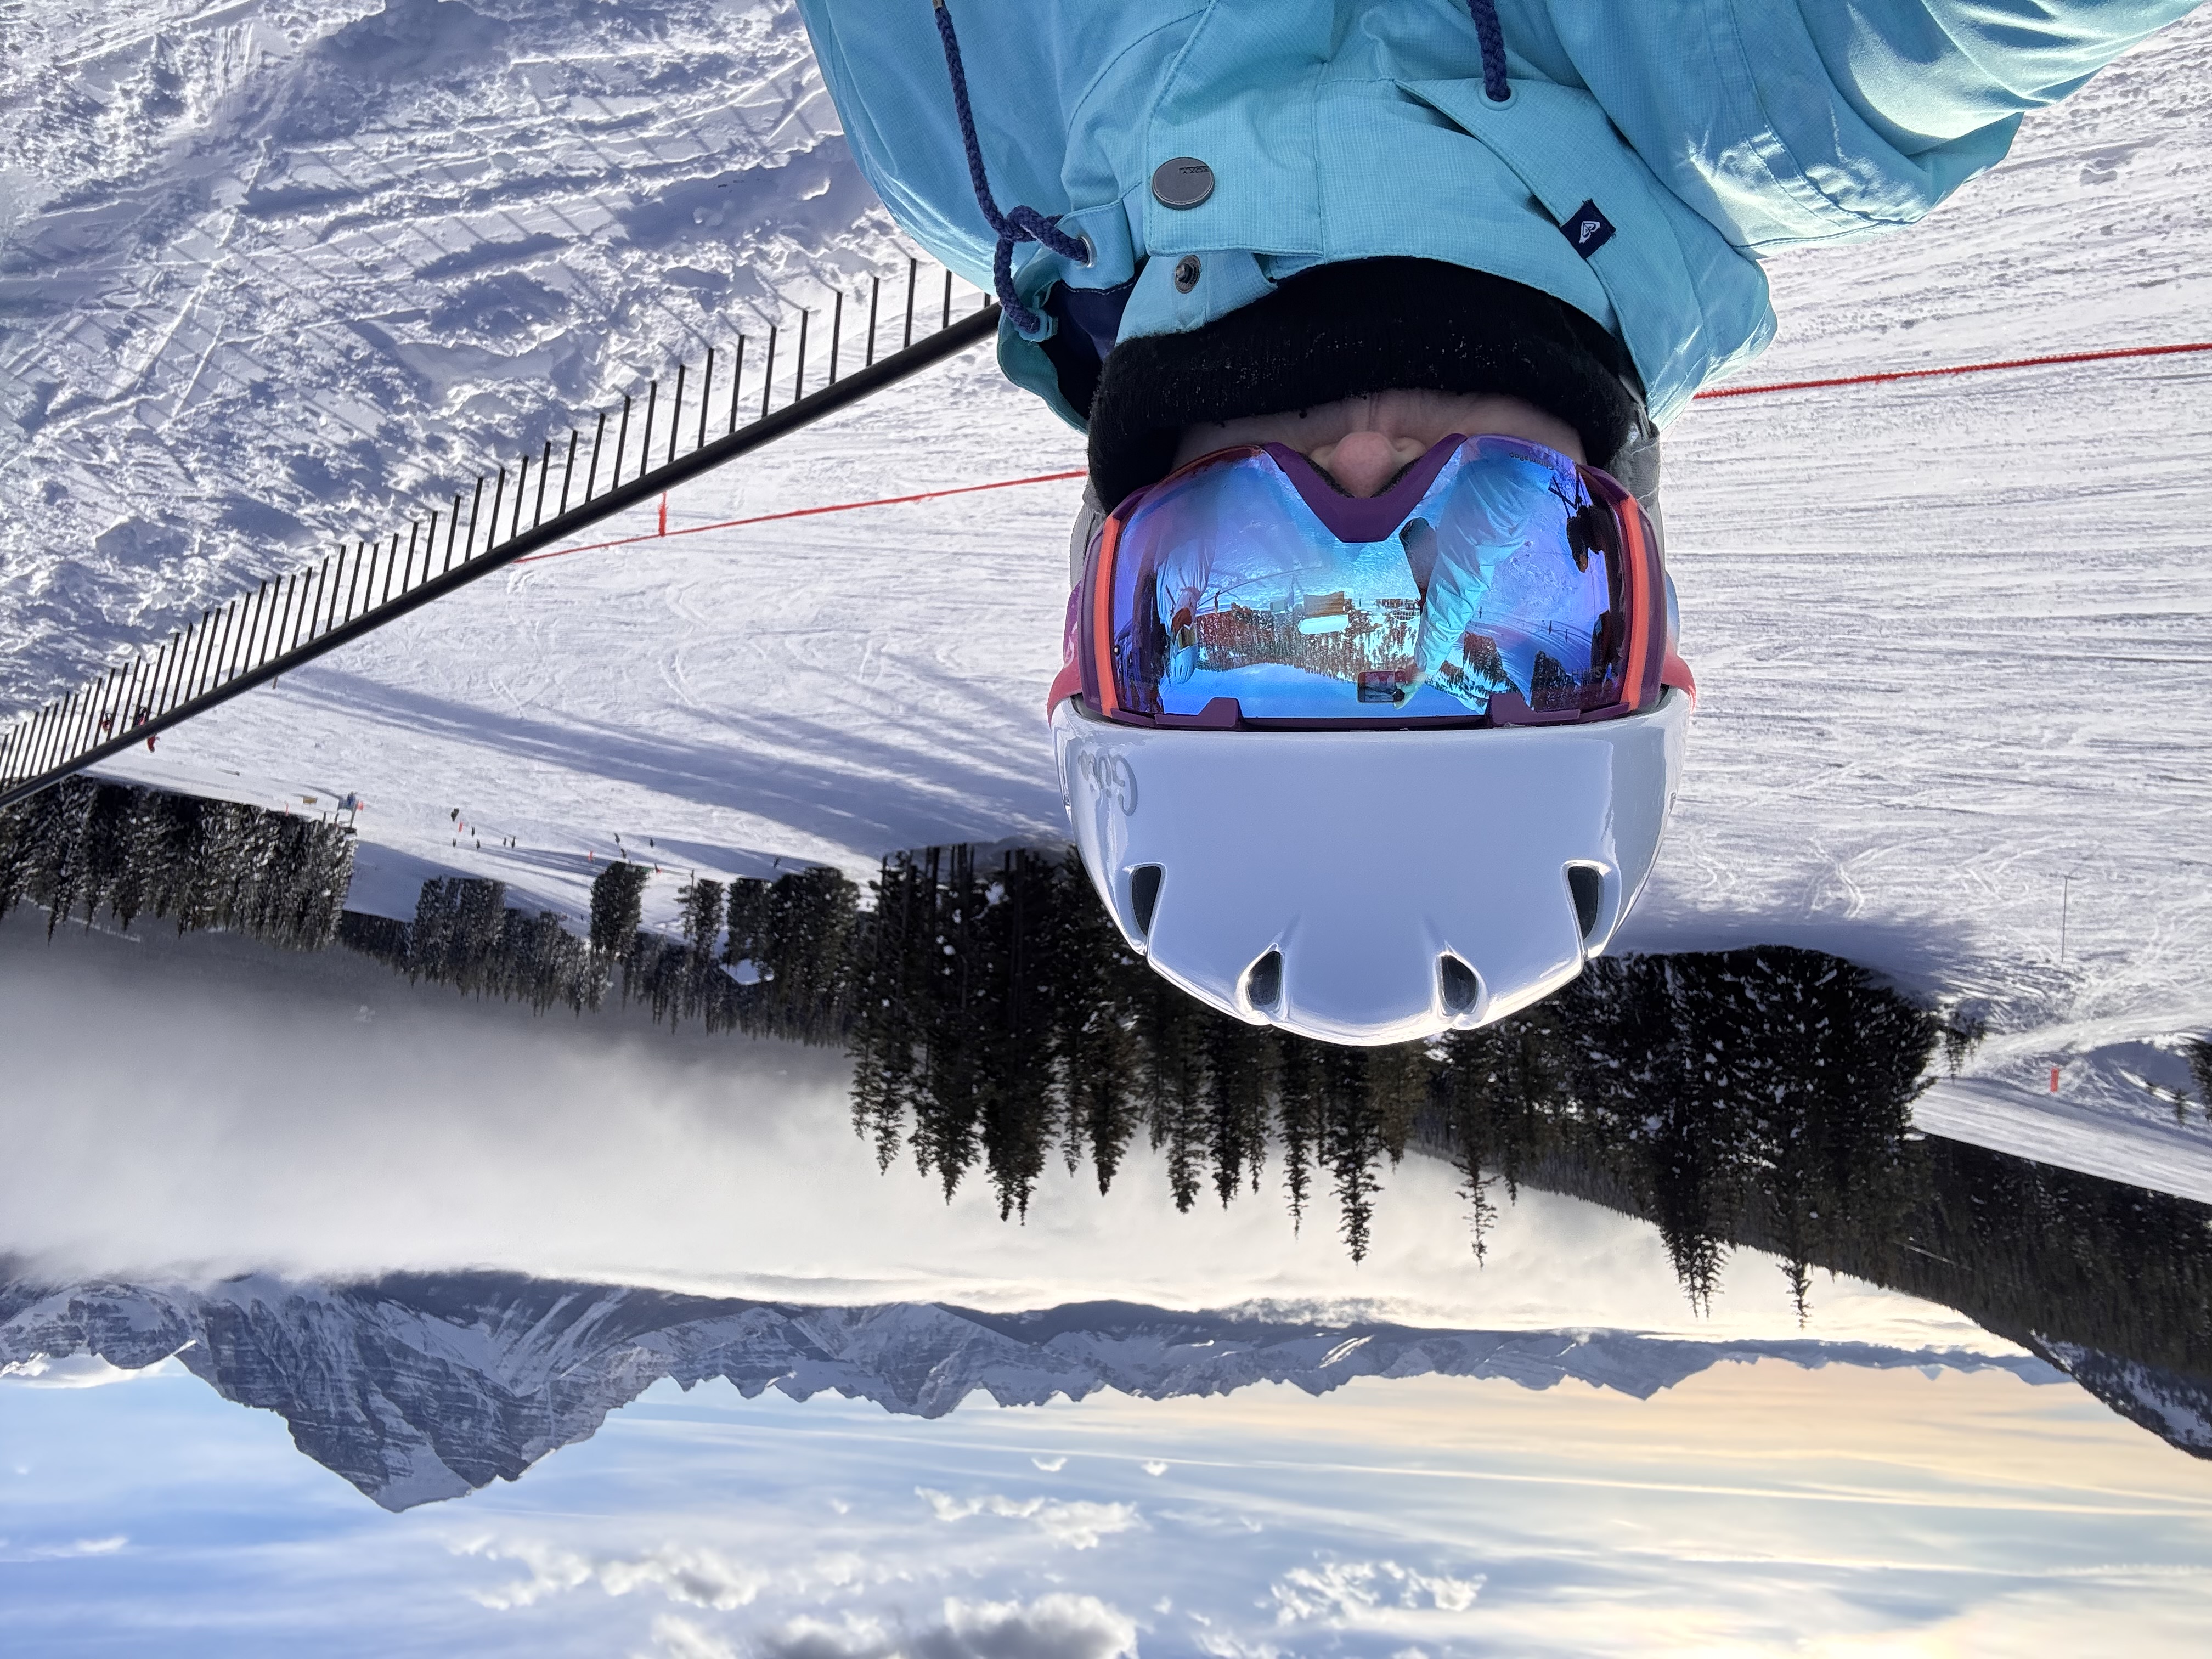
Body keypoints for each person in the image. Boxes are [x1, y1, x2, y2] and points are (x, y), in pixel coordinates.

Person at [795, 0, 2200, 1044]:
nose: (1365, 461)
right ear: (1632, 573)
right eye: (1496, 571)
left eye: (1248, 599)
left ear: (1108, 585)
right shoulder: (1795, 90)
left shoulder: (966, 160)